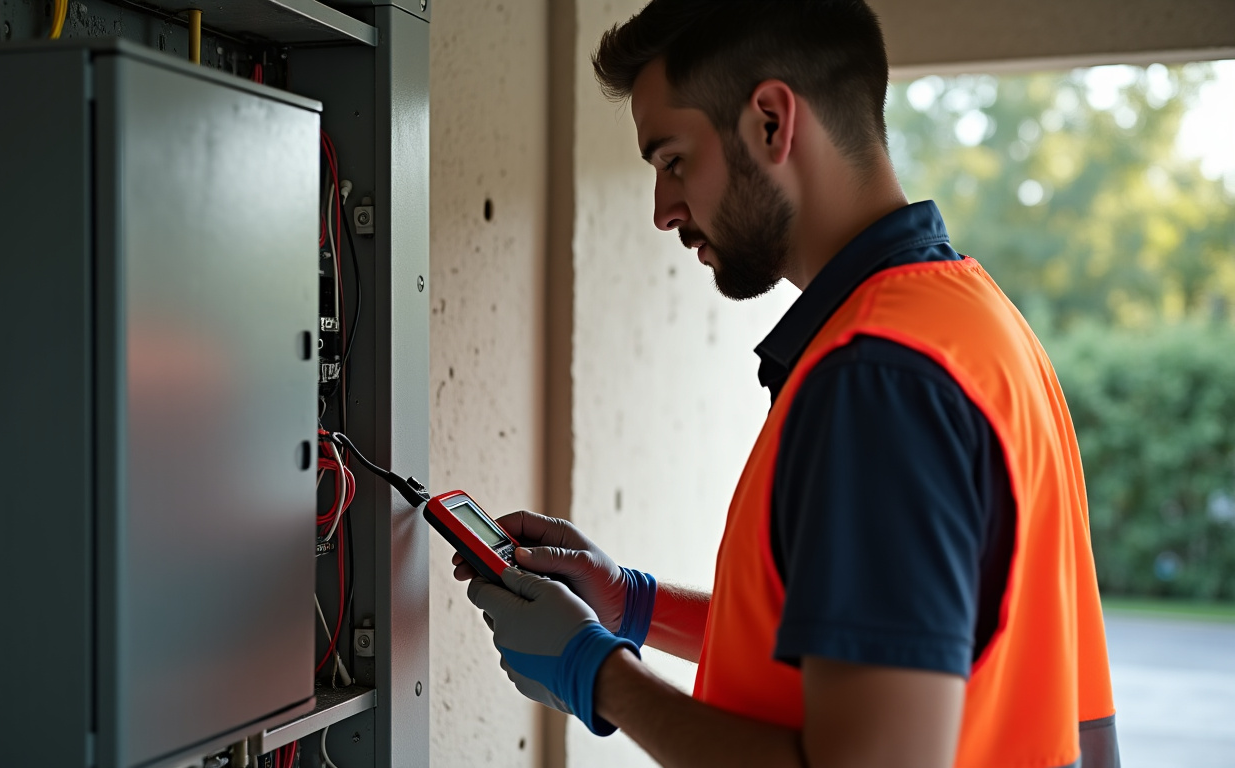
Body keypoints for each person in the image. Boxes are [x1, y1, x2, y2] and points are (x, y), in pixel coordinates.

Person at [453, 1, 1120, 766]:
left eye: (673, 160)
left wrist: (598, 676)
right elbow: (874, 644)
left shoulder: (879, 383)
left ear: (771, 121)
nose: (663, 211)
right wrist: (633, 604)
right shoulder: (972, 322)